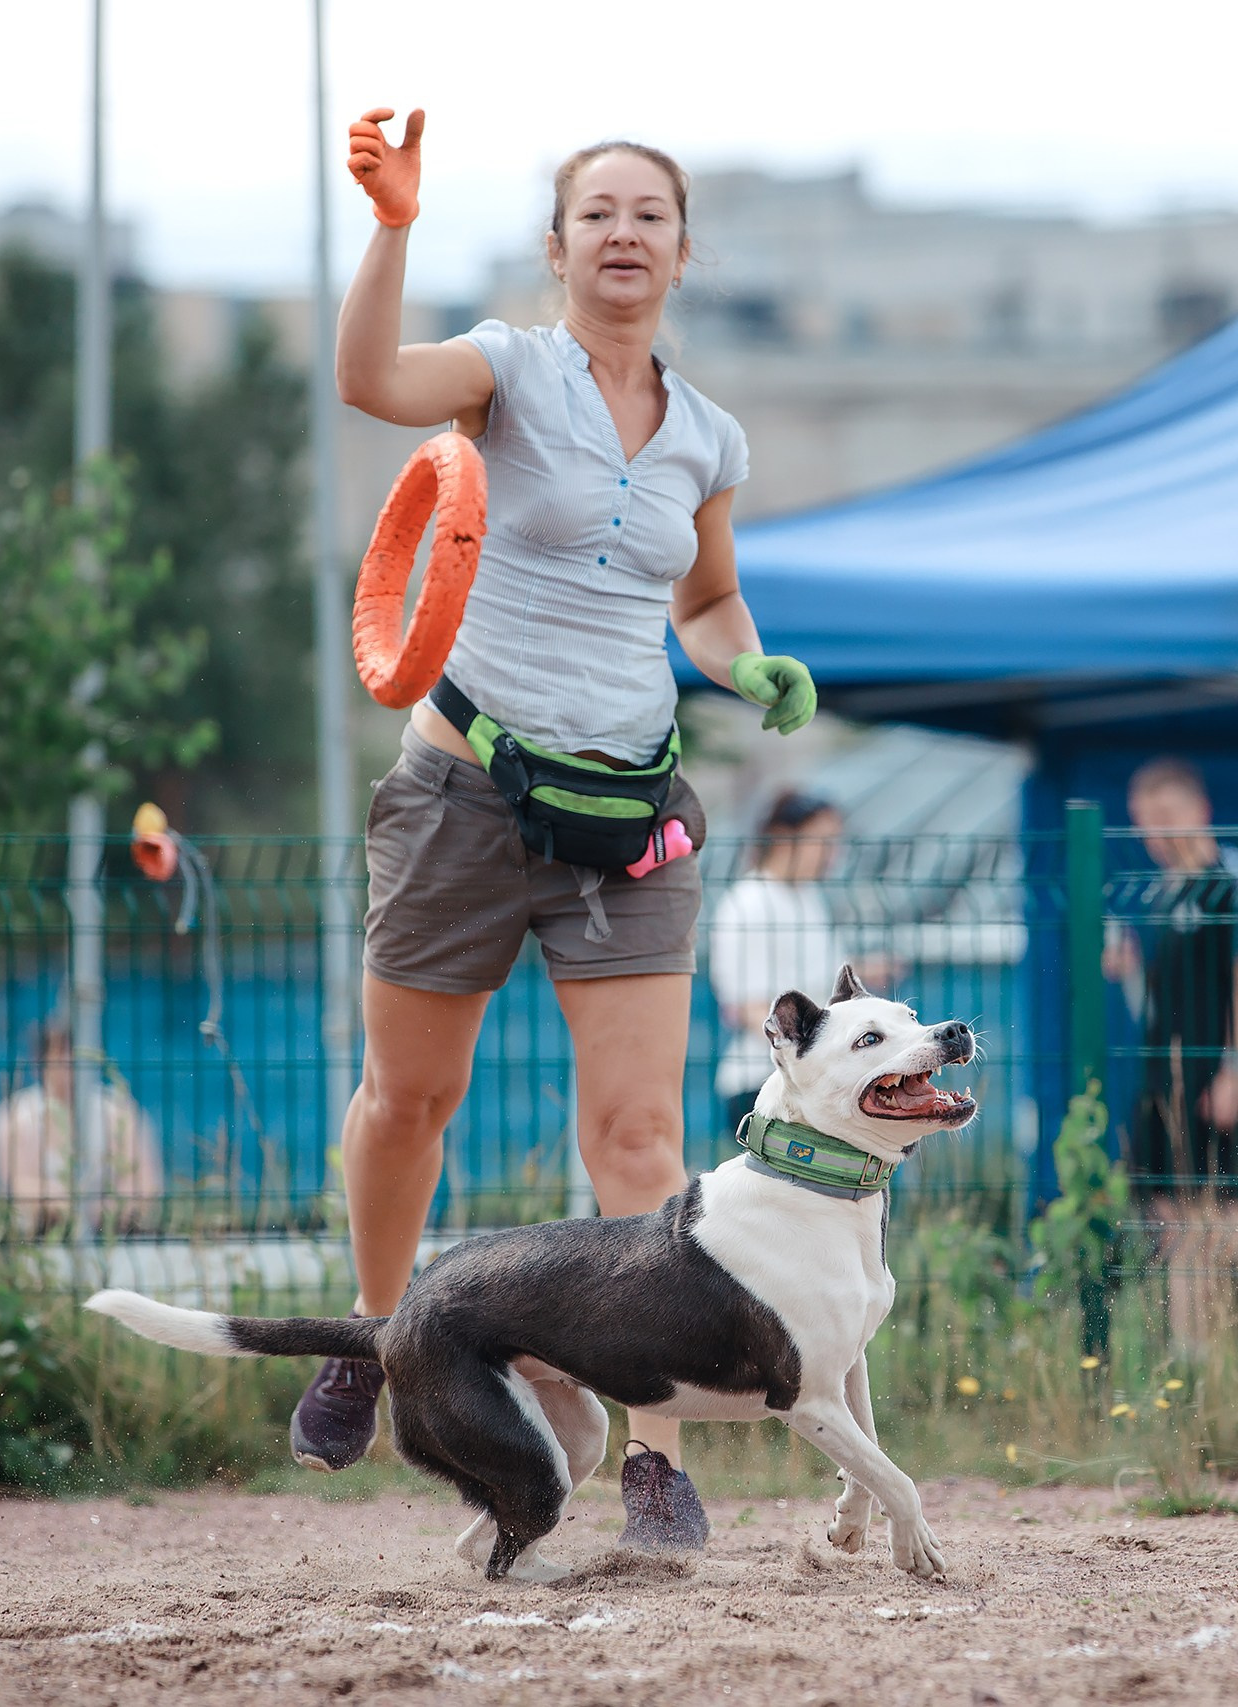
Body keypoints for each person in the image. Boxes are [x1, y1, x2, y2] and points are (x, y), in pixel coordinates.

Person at [311, 109, 817, 1551]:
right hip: (465, 790)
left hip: (629, 811)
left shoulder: (709, 433)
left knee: (642, 1135)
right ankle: (376, 1338)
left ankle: (656, 1457)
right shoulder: (507, 370)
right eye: (597, 213)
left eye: (649, 214)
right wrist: (393, 225)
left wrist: (743, 662)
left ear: (682, 251)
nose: (623, 234)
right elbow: (367, 381)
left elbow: (703, 601)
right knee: (408, 1099)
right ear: (558, 245)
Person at [1104, 758, 1238, 1347]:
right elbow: (1157, 1009)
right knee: (1171, 1218)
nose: (1155, 833)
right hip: (1160, 1082)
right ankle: (1193, 1359)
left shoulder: (1231, 878)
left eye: (1166, 816)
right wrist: (1130, 971)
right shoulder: (1164, 892)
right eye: (1145, 821)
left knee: (1223, 1212)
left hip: (1212, 1077)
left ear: (1200, 810)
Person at [707, 792, 851, 1138]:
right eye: (823, 842)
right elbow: (748, 1007)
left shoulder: (808, 898)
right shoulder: (748, 903)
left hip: (818, 1079)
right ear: (785, 837)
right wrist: (814, 1052)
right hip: (765, 1081)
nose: (832, 855)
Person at [0, 1020, 165, 1236]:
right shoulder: (14, 1117)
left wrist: (99, 1209)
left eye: (75, 1054)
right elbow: (12, 1185)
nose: (69, 1064)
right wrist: (68, 1204)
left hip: (113, 1231)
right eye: (60, 1054)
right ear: (39, 1063)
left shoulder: (119, 1111)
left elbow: (146, 1183)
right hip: (39, 1235)